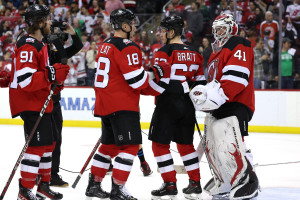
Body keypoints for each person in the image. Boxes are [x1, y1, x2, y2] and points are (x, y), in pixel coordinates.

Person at [85, 9, 171, 200]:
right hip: (122, 105)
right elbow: (138, 81)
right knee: (131, 147)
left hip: (105, 103)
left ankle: (94, 185)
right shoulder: (128, 46)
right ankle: (118, 188)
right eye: (131, 23)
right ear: (124, 26)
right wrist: (156, 72)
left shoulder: (105, 45)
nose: (134, 27)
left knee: (108, 147)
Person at [189, 13, 259, 200]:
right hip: (221, 105)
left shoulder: (238, 43)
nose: (219, 32)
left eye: (222, 28)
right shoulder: (214, 52)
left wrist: (217, 96)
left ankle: (248, 182)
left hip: (236, 102)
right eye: (216, 29)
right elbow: (214, 81)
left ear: (232, 28)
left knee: (232, 143)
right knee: (215, 145)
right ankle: (225, 181)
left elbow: (236, 78)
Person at [9, 4, 70, 200]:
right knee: (36, 148)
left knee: (49, 144)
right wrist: (53, 73)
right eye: (48, 19)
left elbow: (37, 75)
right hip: (31, 102)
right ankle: (25, 190)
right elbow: (26, 80)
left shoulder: (40, 44)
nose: (51, 22)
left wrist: (54, 82)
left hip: (41, 100)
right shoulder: (28, 44)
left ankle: (43, 186)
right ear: (40, 22)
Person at [148, 15, 206, 200]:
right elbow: (200, 84)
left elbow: (157, 79)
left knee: (159, 145)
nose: (161, 34)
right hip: (188, 103)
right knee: (185, 145)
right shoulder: (196, 52)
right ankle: (195, 184)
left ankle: (170, 184)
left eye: (164, 30)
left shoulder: (164, 51)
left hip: (167, 101)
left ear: (171, 32)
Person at [48, 21, 83, 187]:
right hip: (43, 102)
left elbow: (77, 46)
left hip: (55, 101)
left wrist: (72, 32)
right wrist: (53, 38)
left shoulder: (53, 52)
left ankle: (52, 174)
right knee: (45, 141)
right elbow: (63, 57)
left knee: (56, 140)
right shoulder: (41, 50)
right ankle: (42, 174)